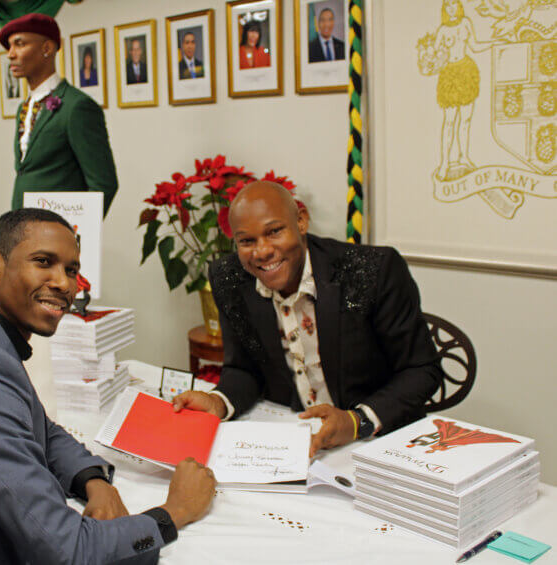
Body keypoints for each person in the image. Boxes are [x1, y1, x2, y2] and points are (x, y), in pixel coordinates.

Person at [0, 208, 216, 564]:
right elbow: (67, 550)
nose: (64, 283)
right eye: (43, 261)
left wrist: (93, 480)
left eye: (71, 270)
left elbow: (38, 427)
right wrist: (174, 513)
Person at [174, 182, 442, 456]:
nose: (262, 251)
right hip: (291, 441)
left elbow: (422, 370)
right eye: (247, 241)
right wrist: (218, 402)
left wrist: (356, 421)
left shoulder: (374, 270)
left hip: (374, 439)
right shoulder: (229, 278)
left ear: (301, 221)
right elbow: (244, 368)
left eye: (274, 231)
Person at [0, 13, 118, 215]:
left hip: (58, 234)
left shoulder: (77, 106)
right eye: (9, 46)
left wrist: (78, 233)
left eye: (19, 44)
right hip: (22, 230)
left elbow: (103, 183)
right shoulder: (24, 108)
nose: (11, 54)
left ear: (47, 48)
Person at [432, 0, 489, 181]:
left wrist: (494, 43)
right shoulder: (441, 30)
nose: (451, 8)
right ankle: (444, 162)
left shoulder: (466, 23)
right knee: (449, 121)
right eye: (447, 5)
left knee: (466, 119)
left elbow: (475, 45)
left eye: (454, 4)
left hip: (465, 70)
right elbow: (435, 55)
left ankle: (464, 156)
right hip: (450, 73)